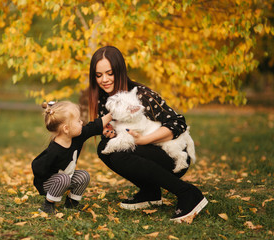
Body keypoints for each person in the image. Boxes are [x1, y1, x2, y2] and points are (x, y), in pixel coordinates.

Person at [88, 46, 208, 223]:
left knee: (120, 155)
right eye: (99, 75)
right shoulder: (103, 98)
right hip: (146, 152)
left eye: (110, 73)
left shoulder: (142, 95)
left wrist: (144, 139)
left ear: (120, 71)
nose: (104, 80)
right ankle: (150, 192)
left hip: (172, 154)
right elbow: (115, 132)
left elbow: (178, 123)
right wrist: (109, 132)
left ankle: (189, 194)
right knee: (104, 147)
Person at [31, 101, 112, 214]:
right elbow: (36, 166)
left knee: (83, 175)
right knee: (63, 179)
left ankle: (71, 204)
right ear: (66, 129)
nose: (81, 122)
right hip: (48, 183)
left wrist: (112, 114)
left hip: (66, 178)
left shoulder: (76, 137)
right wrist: (47, 181)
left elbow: (92, 127)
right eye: (78, 121)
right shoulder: (54, 150)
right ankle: (47, 205)